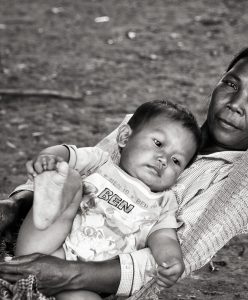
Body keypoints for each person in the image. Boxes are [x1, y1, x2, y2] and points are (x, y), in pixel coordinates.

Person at [1, 41, 248, 299]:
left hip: (95, 275)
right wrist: (18, 202)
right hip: (55, 235)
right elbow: (83, 166)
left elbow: (174, 253)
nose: (235, 104)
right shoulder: (156, 127)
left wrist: (71, 274)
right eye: (231, 84)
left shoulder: (240, 186)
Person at [15, 100, 200, 299]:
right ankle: (52, 190)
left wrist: (171, 259)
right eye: (158, 143)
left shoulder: (163, 202)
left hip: (88, 283)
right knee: (69, 178)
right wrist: (48, 158)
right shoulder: (100, 162)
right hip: (47, 248)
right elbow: (67, 153)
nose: (163, 159)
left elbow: (164, 237)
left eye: (176, 161)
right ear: (124, 137)